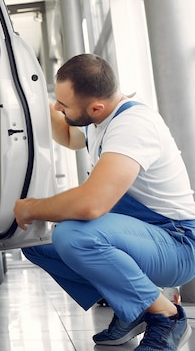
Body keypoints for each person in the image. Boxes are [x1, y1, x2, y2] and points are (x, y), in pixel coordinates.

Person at [14, 54, 195, 351]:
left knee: (74, 235)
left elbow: (92, 204)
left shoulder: (133, 126)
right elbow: (70, 134)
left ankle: (167, 316)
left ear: (95, 107)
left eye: (64, 105)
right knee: (36, 243)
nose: (59, 109)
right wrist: (37, 99)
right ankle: (132, 308)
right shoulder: (100, 119)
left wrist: (30, 207)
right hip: (144, 237)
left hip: (178, 244)